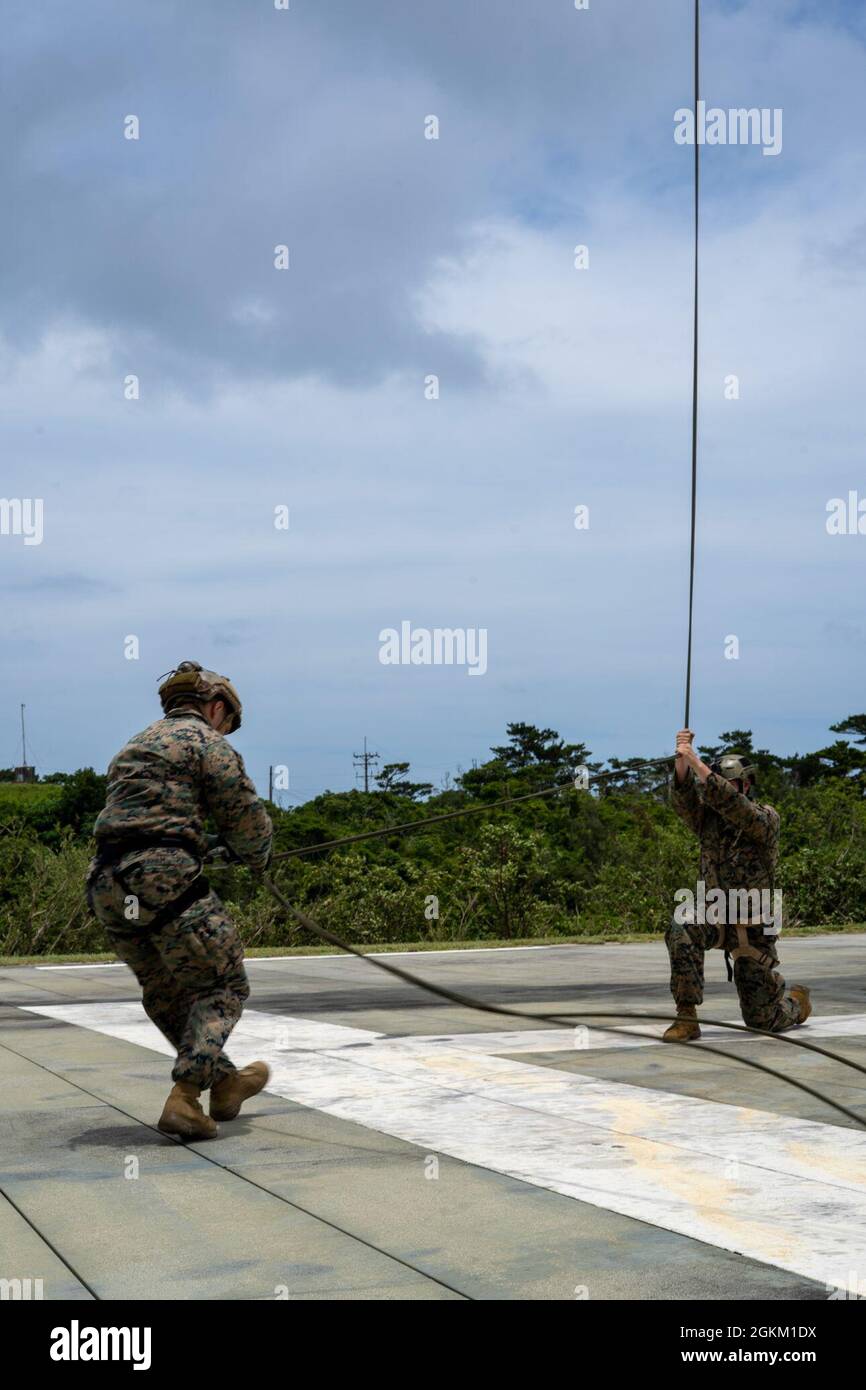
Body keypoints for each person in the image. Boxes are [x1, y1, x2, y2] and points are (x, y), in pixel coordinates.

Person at [87, 661, 273, 1140]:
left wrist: (202, 845)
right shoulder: (208, 744)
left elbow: (148, 822)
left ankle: (226, 1081)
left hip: (108, 885)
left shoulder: (134, 744)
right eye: (227, 722)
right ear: (216, 709)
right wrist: (255, 854)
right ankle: (186, 1098)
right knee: (224, 985)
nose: (226, 730)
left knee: (167, 992)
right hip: (163, 878)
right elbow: (246, 823)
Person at [664, 728, 811, 1042]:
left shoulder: (765, 819)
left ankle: (795, 1003)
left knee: (762, 1021)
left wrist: (696, 761)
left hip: (752, 924)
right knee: (683, 924)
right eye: (719, 782)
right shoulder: (709, 820)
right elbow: (684, 801)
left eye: (730, 783)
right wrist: (682, 763)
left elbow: (734, 805)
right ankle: (686, 1017)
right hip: (714, 914)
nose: (720, 789)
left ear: (746, 785)